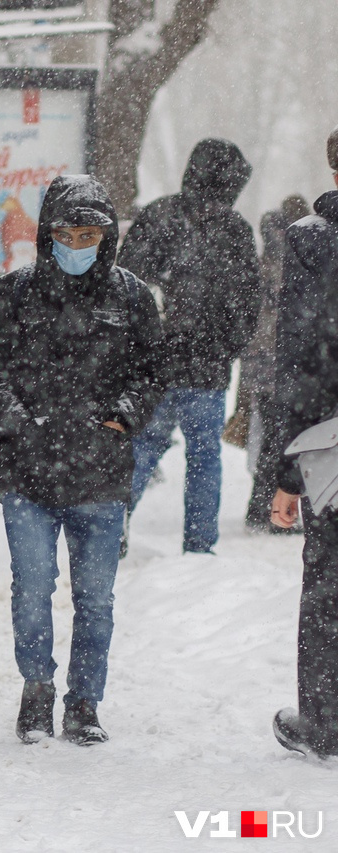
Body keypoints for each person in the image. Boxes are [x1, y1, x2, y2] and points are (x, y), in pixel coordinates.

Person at [0, 175, 163, 746]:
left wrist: (121, 418)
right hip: (28, 473)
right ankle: (37, 692)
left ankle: (84, 702)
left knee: (95, 598)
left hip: (101, 476)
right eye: (66, 233)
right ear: (46, 234)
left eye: (90, 234)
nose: (78, 244)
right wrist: (19, 425)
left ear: (107, 238)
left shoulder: (130, 298)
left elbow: (152, 372)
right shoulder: (12, 294)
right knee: (31, 588)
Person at [119, 138, 262, 555]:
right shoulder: (234, 229)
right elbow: (248, 297)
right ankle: (200, 547)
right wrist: (227, 346)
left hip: (156, 365)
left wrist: (143, 344)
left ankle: (115, 524)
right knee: (203, 457)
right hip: (207, 368)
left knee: (143, 446)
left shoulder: (158, 217)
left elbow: (129, 284)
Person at [269, 124, 338, 758]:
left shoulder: (314, 242)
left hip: (330, 443)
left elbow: (299, 355)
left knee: (327, 587)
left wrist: (285, 474)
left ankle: (324, 722)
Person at [240, 195, 311, 532]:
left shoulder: (260, 264)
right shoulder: (303, 263)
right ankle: (275, 506)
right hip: (288, 364)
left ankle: (261, 505)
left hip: (262, 367)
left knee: (270, 436)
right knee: (284, 439)